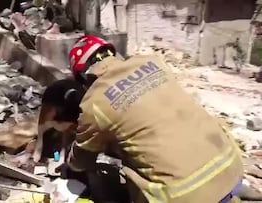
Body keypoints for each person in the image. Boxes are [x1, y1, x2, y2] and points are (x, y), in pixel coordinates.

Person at [39, 35, 244, 203]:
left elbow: (80, 162)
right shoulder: (154, 62)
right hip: (231, 169)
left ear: (83, 76)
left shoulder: (94, 104)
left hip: (184, 196)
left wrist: (70, 158)